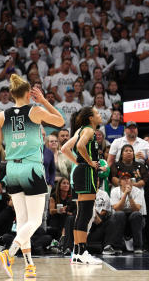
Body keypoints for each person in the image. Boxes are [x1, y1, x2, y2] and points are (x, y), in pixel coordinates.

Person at [0, 74, 65, 278]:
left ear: (12, 95)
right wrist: (44, 100)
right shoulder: (35, 110)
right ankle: (10, 253)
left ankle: (30, 265)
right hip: (31, 169)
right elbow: (60, 120)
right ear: (28, 93)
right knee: (35, 222)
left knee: (23, 223)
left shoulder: (2, 116)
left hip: (11, 169)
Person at [60, 106, 104, 265]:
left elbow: (64, 148)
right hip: (86, 174)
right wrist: (88, 162)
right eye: (97, 113)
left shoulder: (80, 130)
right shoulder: (89, 131)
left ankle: (78, 253)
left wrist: (78, 162)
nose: (100, 115)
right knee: (85, 214)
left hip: (80, 172)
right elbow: (79, 147)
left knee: (81, 214)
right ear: (91, 118)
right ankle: (82, 252)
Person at [106, 173, 145, 254]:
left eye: (128, 179)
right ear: (120, 182)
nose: (127, 180)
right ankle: (117, 247)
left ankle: (138, 247)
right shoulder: (114, 191)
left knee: (136, 215)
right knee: (119, 214)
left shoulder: (137, 191)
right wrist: (125, 194)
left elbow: (136, 209)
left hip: (133, 217)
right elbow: (117, 209)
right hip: (119, 218)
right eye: (124, 179)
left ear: (131, 182)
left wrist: (129, 195)